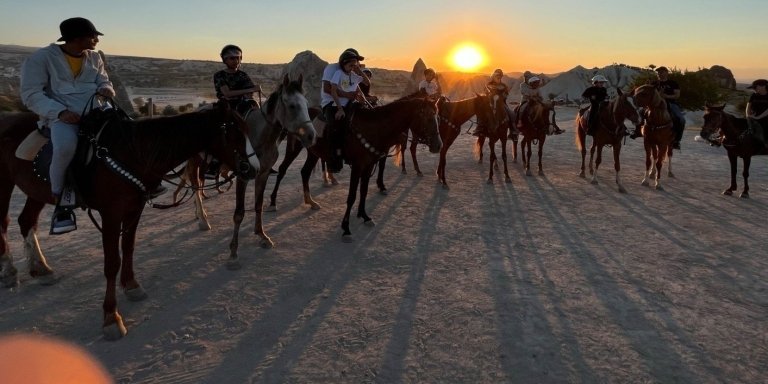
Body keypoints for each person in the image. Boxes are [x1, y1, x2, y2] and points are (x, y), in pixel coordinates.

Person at [20, 17, 116, 235]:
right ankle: (60, 197)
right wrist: (60, 113)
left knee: (126, 133)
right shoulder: (41, 58)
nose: (96, 40)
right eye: (93, 36)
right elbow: (31, 94)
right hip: (62, 116)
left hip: (97, 111)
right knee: (65, 147)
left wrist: (107, 89)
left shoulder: (94, 57)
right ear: (76, 38)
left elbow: (103, 80)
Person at [324, 50, 370, 173]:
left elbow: (367, 82)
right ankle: (335, 159)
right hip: (338, 105)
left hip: (351, 105)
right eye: (351, 65)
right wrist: (339, 109)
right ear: (343, 63)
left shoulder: (353, 75)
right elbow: (333, 91)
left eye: (355, 65)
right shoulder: (338, 73)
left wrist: (359, 70)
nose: (353, 67)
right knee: (337, 129)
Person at [213, 44, 261, 116]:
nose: (236, 61)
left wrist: (251, 91)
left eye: (238, 58)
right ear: (225, 60)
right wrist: (251, 89)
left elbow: (250, 93)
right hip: (226, 106)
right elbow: (227, 93)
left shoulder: (243, 75)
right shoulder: (219, 75)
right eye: (232, 58)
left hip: (244, 105)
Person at [651, 66, 685, 148]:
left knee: (681, 119)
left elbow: (677, 95)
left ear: (666, 73)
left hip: (671, 103)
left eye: (661, 72)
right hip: (656, 104)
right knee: (641, 112)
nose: (659, 74)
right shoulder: (653, 83)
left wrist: (665, 96)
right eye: (658, 72)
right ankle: (638, 131)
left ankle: (677, 141)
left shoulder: (673, 83)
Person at [746, 78, 768, 147]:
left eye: (755, 87)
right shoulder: (754, 95)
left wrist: (758, 117)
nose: (754, 89)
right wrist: (748, 116)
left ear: (763, 86)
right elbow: (748, 107)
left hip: (765, 118)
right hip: (753, 117)